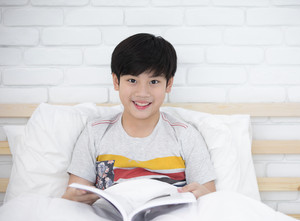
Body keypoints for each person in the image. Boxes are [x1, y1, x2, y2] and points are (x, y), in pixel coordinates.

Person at [62, 33, 216, 205]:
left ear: (169, 84)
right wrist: (72, 198)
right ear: (116, 81)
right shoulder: (95, 133)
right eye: (132, 80)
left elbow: (210, 199)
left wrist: (202, 195)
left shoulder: (185, 135)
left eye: (154, 82)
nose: (142, 93)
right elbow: (75, 198)